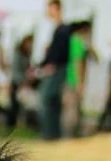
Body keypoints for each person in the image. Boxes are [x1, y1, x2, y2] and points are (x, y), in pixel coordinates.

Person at [36, 0, 71, 140]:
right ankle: (52, 133)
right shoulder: (55, 29)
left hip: (55, 69)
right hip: (52, 67)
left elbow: (59, 53)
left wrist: (51, 65)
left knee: (46, 100)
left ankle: (49, 133)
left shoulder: (63, 29)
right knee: (52, 102)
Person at [62, 20, 93, 138]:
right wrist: (80, 82)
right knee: (72, 111)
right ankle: (69, 136)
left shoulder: (70, 40)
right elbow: (78, 62)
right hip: (73, 80)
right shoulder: (77, 41)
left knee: (70, 109)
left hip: (67, 79)